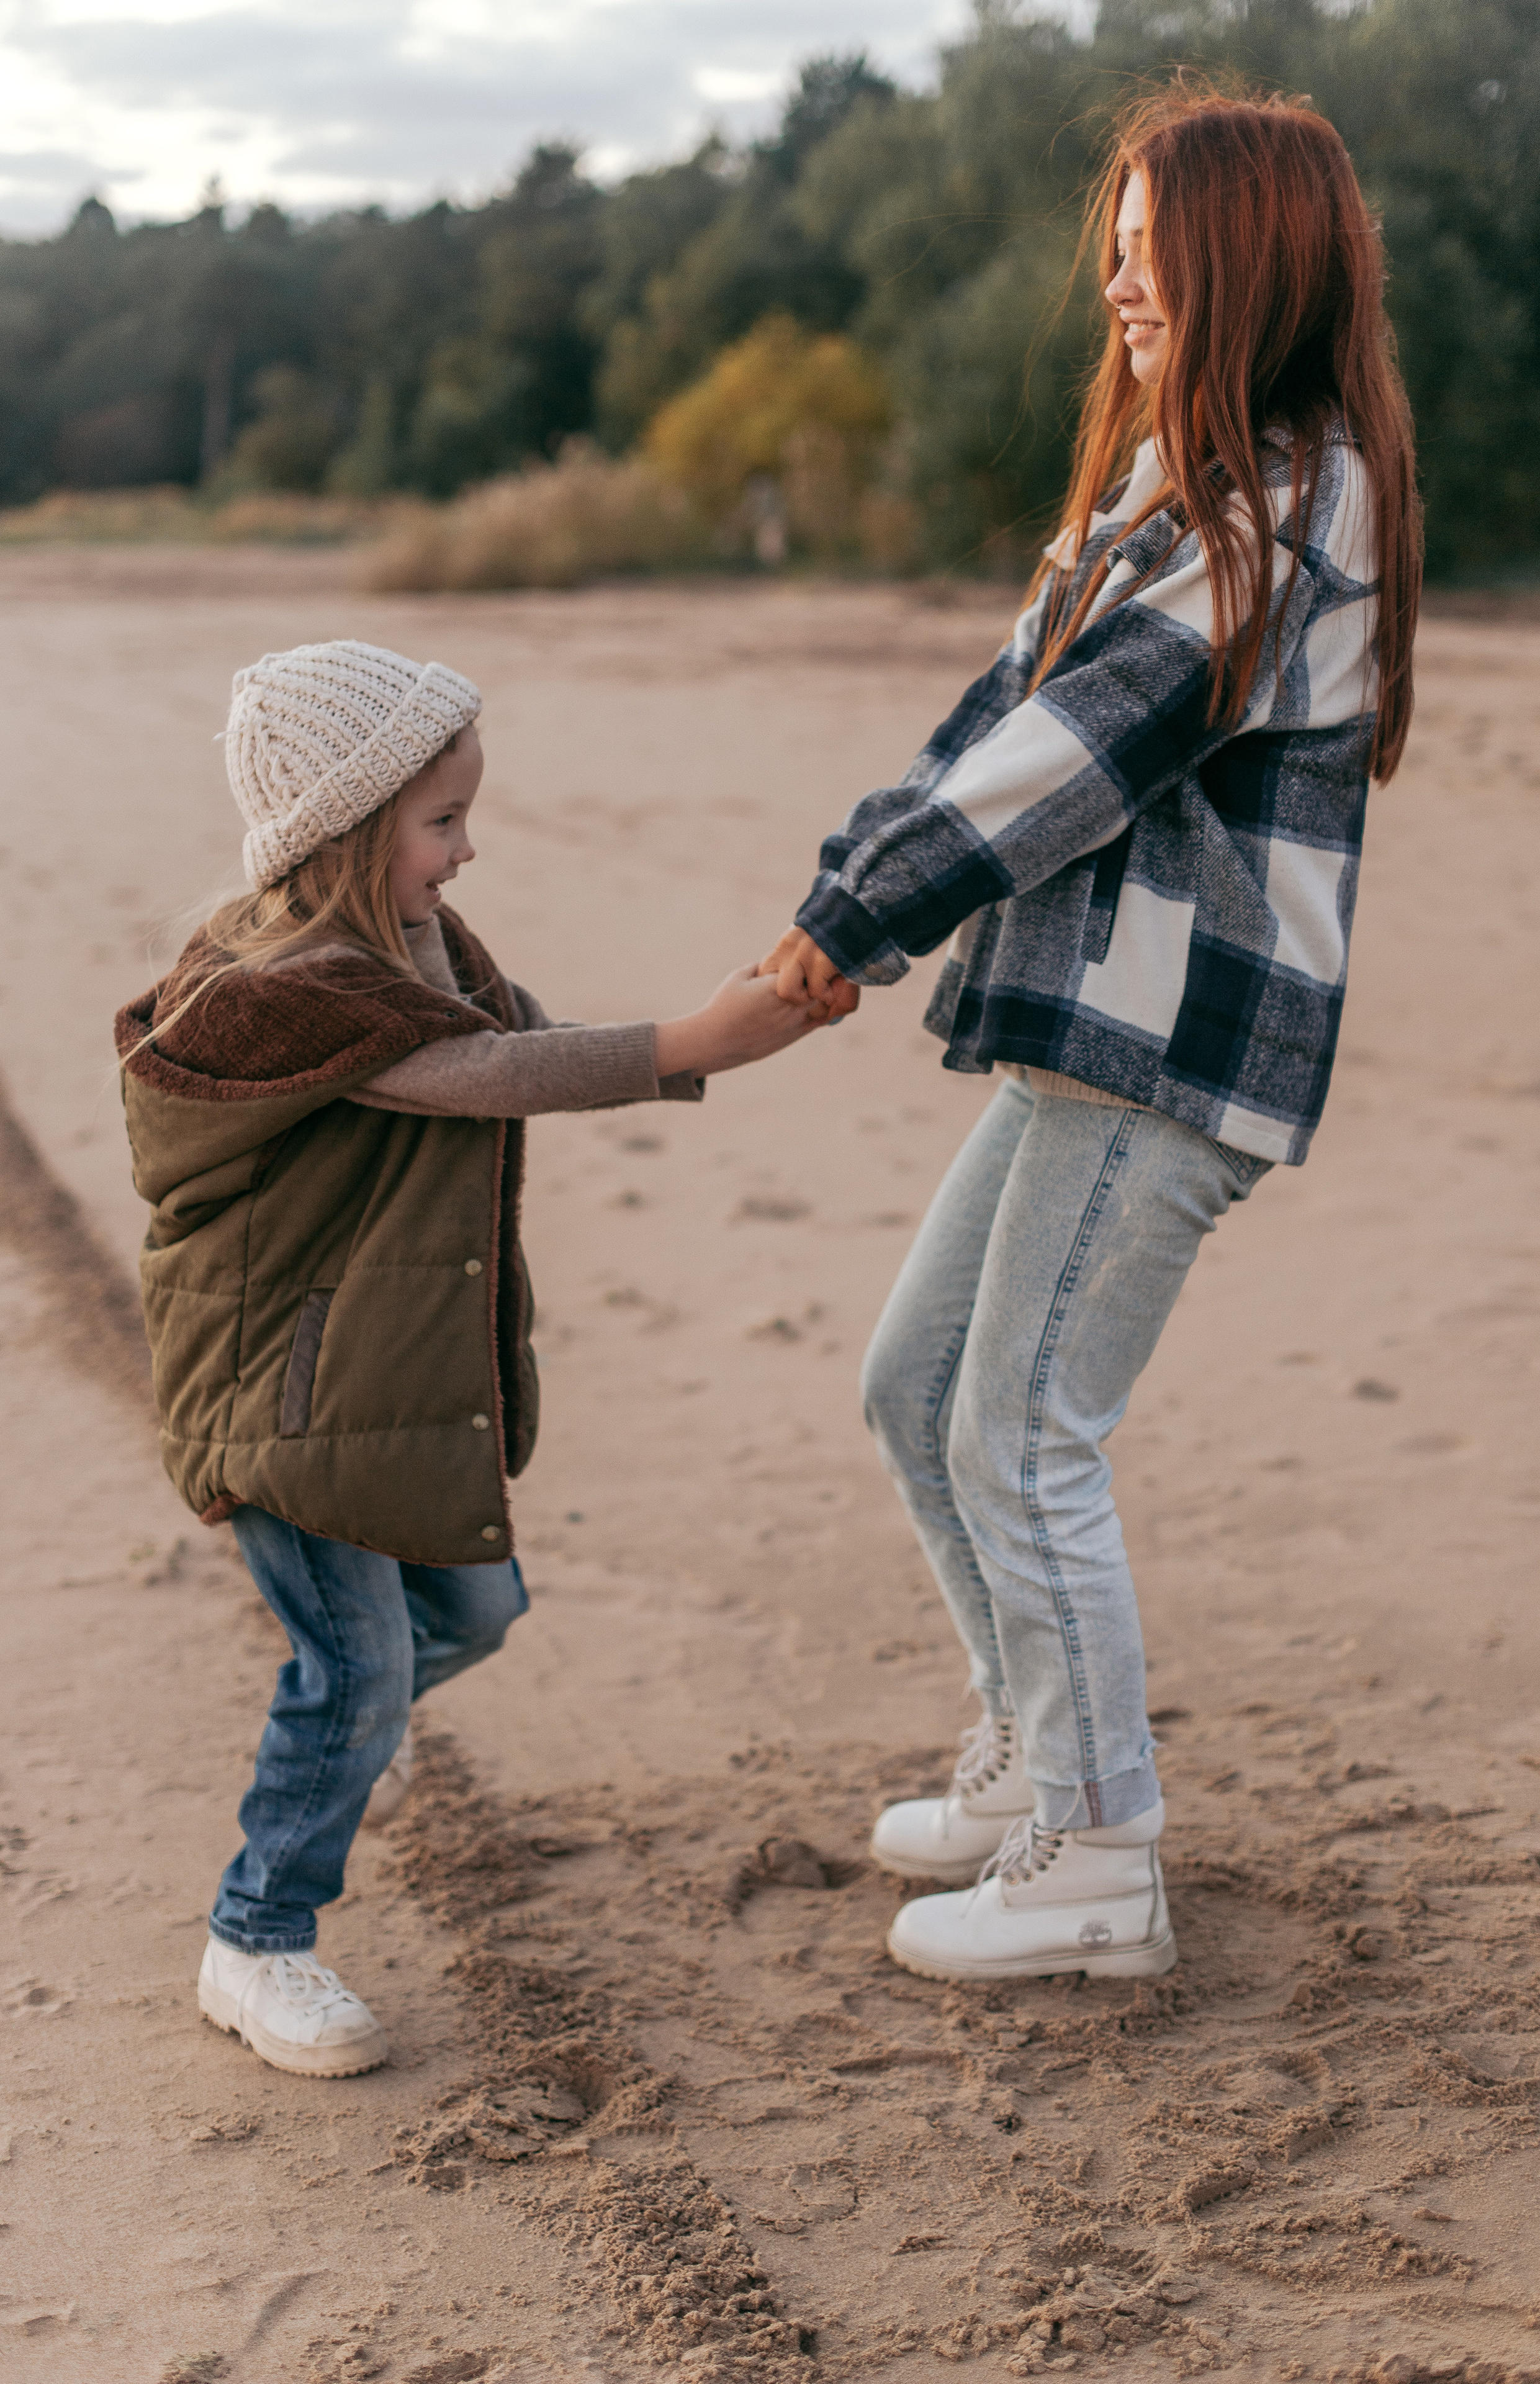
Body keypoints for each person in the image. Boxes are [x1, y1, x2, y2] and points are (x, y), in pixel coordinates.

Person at [760, 86, 1422, 1984]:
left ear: (1259, 272)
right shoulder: (1161, 494)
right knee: (917, 1388)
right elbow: (991, 720)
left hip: (1176, 1048)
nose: (1124, 288)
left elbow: (1069, 763)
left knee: (1022, 1428)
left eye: (1158, 257)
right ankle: (1027, 1759)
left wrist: (835, 943)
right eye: (1115, 254)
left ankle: (1098, 1857)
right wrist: (837, 897)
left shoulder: (1298, 512)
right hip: (1087, 1036)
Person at [116, 638, 826, 2077]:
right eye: (441, 822)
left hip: (373, 1388)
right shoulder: (301, 985)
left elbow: (520, 1036)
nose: (466, 848)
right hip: (291, 1400)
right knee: (358, 1667)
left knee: (475, 1614)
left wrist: (717, 1017)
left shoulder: (413, 950)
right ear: (346, 832)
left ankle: (340, 1749)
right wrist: (698, 1040)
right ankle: (254, 1942)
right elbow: (485, 1075)